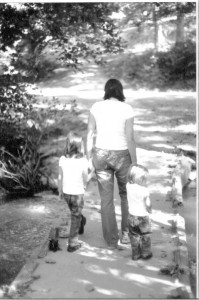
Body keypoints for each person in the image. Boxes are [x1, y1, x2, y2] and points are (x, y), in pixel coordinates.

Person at [86, 78, 137, 249]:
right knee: (125, 195)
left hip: (100, 154)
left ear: (106, 91)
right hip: (122, 155)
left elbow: (90, 133)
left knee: (106, 199)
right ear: (120, 91)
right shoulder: (127, 109)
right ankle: (126, 235)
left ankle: (111, 239)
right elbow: (130, 138)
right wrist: (134, 163)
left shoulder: (96, 107)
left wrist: (88, 158)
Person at [58, 132, 88, 252]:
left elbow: (60, 177)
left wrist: (60, 191)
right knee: (75, 215)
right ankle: (73, 244)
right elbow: (85, 177)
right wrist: (85, 184)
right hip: (77, 193)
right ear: (80, 146)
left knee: (74, 212)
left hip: (66, 193)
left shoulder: (62, 159)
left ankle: (82, 221)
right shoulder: (83, 161)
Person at [126, 164, 152, 260]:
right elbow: (148, 204)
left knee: (134, 236)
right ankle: (146, 253)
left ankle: (136, 254)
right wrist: (150, 210)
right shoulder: (144, 190)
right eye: (145, 179)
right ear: (141, 179)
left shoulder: (128, 186)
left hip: (132, 216)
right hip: (143, 217)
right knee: (145, 236)